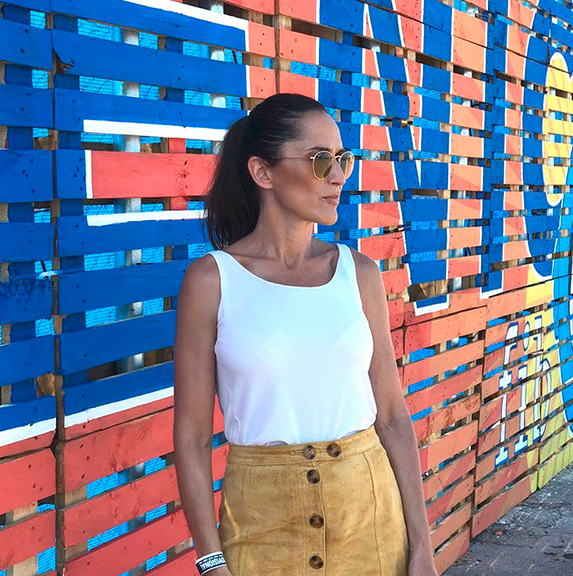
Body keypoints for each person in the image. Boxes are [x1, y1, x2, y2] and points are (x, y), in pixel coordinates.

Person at [172, 92, 438, 576]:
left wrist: (422, 546)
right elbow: (191, 437)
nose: (337, 175)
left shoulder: (359, 274)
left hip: (371, 520)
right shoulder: (212, 281)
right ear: (263, 172)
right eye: (319, 160)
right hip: (261, 528)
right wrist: (211, 562)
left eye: (342, 158)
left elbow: (393, 416)